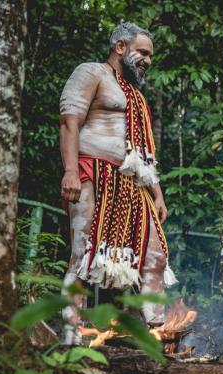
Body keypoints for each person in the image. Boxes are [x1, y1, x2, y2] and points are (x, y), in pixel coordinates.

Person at [59, 22, 178, 345]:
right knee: (83, 256)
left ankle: (155, 334)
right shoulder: (91, 73)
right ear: (120, 47)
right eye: (143, 52)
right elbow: (70, 121)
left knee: (155, 255)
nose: (148, 60)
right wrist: (70, 171)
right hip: (91, 176)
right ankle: (71, 334)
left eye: (150, 55)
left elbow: (142, 152)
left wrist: (157, 194)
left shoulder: (135, 96)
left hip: (132, 186)